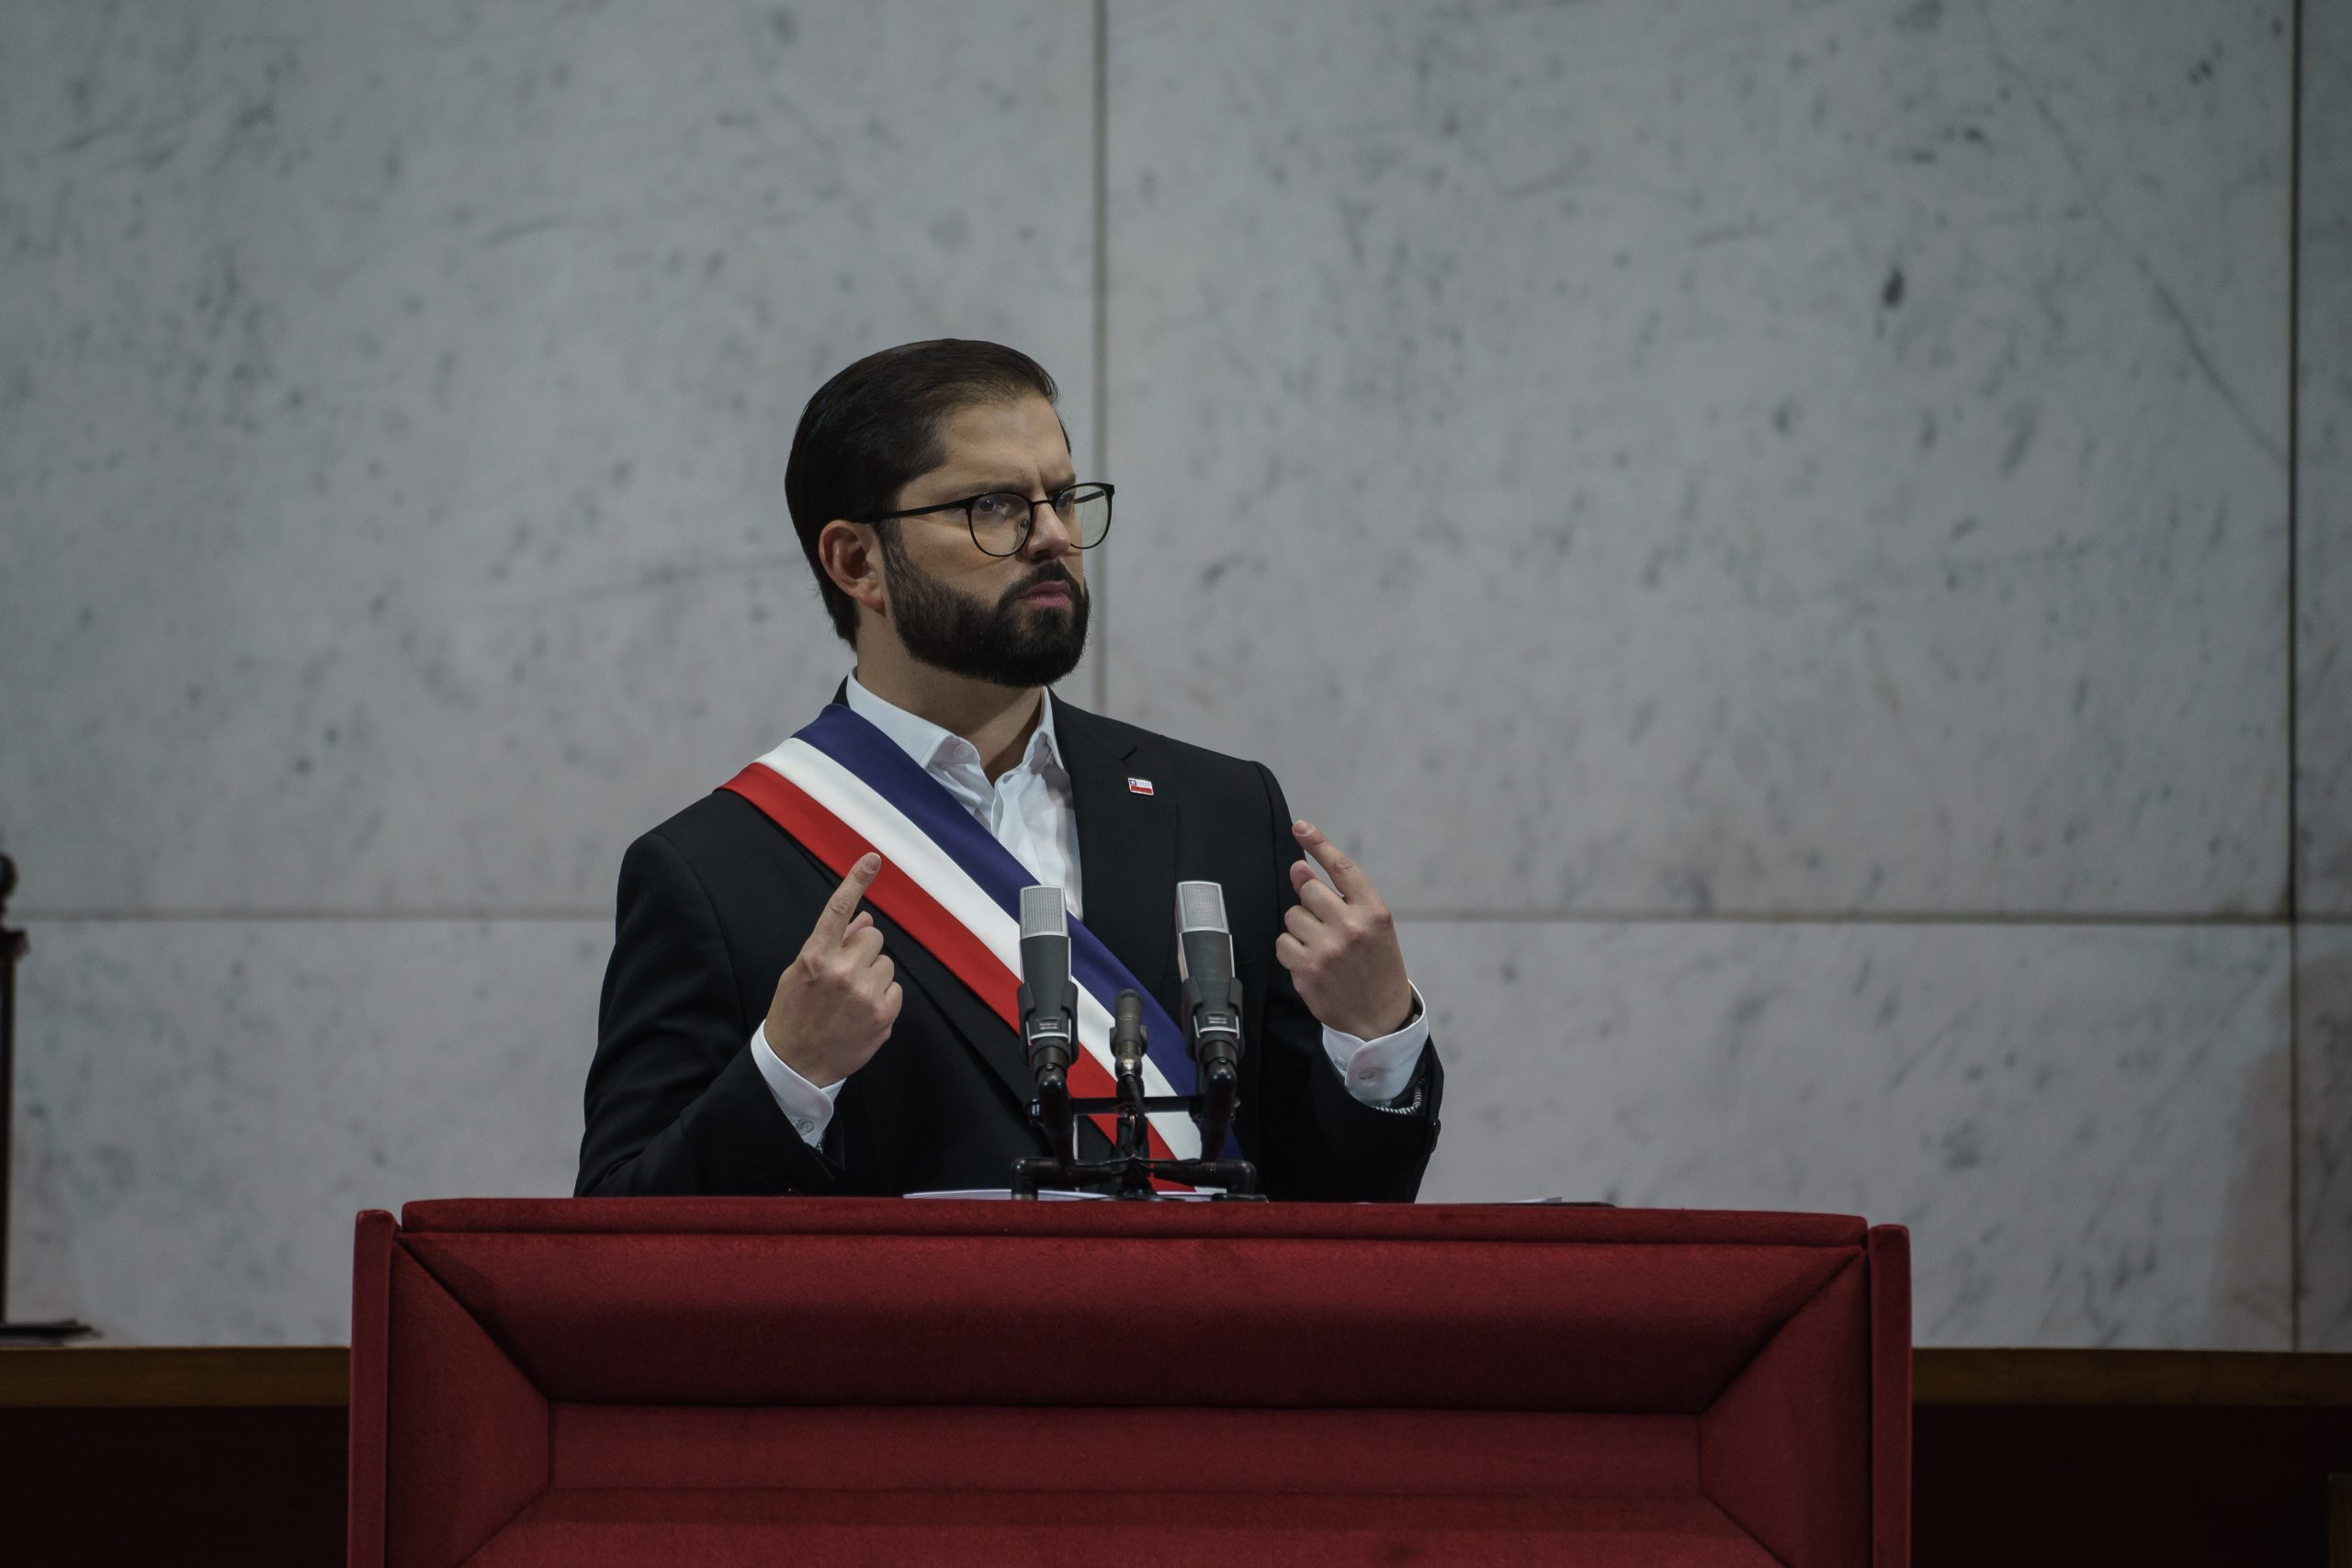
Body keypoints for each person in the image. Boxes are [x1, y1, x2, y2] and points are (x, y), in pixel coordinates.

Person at [577, 340, 1440, 1199]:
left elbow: (1324, 1211)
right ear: (856, 562)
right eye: (995, 506)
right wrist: (788, 1073)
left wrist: (1376, 1038)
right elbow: (614, 1245)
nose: (1055, 536)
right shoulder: (713, 869)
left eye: (1062, 497)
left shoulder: (1220, 811)